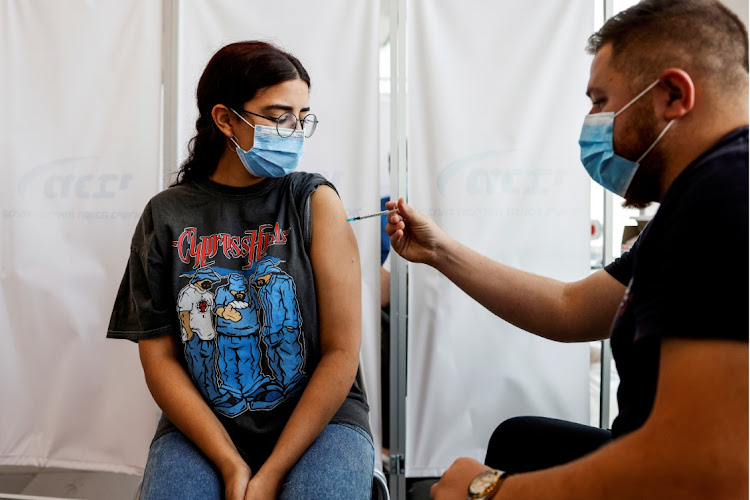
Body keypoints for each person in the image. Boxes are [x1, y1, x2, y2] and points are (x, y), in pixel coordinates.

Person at [385, 1, 748, 498]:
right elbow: (570, 309)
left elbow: (706, 467)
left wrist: (489, 492)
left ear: (672, 94)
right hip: (653, 450)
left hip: (676, 472)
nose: (592, 121)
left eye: (600, 100)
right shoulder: (702, 191)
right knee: (520, 439)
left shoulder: (725, 193)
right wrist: (439, 251)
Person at [107, 41, 373, 500]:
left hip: (321, 421)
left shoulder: (314, 202)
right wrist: (232, 464)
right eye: (277, 115)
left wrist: (270, 474)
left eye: (301, 116)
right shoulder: (166, 216)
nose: (294, 131)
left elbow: (341, 353)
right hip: (207, 421)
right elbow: (161, 360)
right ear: (225, 119)